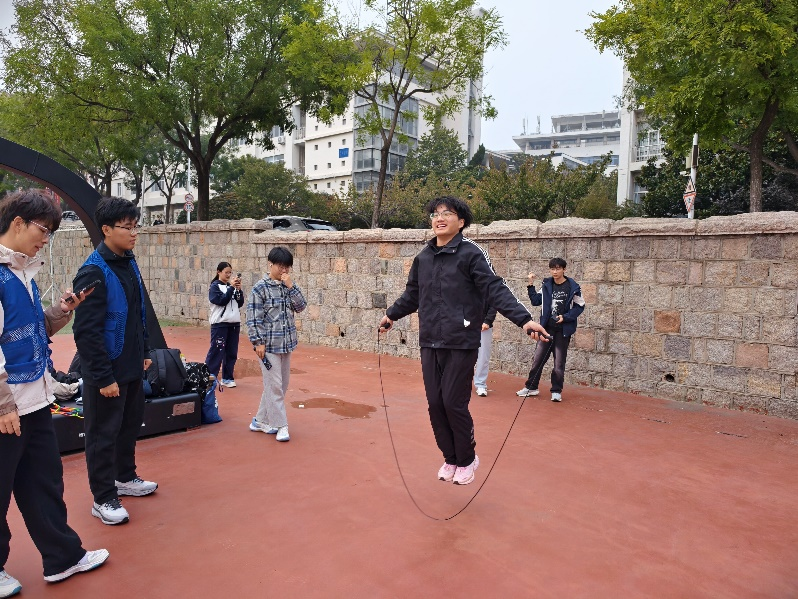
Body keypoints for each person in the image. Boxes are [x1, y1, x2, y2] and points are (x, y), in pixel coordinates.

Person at [379, 196, 549, 486]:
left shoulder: (471, 254)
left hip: (461, 341)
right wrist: (391, 315)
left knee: (453, 403)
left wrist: (524, 319)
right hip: (430, 341)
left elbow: (495, 289)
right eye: (435, 214)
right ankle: (451, 458)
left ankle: (467, 459)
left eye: (447, 213)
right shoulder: (423, 258)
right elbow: (412, 294)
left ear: (461, 222)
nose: (439, 218)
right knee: (435, 404)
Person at [0, 190, 108, 597]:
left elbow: (31, 330)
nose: (46, 239)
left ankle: (62, 557)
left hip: (35, 400)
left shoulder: (23, 274)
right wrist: (2, 404)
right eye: (43, 230)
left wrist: (62, 311)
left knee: (44, 483)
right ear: (18, 223)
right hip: (8, 406)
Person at [73, 197, 156, 526]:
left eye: (136, 226)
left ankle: (125, 477)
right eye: (127, 227)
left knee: (129, 426)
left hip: (132, 365)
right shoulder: (93, 271)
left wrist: (145, 352)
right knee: (102, 435)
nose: (134, 233)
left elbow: (137, 313)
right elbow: (86, 332)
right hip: (106, 371)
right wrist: (103, 377)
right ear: (106, 229)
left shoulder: (129, 261)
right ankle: (103, 497)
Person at [246, 247, 307, 443]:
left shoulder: (288, 286)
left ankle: (259, 420)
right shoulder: (260, 288)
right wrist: (258, 343)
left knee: (281, 385)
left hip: (286, 344)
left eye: (287, 266)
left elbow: (301, 306)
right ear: (270, 264)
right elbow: (253, 318)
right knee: (275, 387)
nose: (284, 270)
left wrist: (292, 286)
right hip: (268, 347)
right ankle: (281, 426)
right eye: (281, 266)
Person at [516, 258, 585, 402]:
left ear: (564, 269)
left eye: (558, 268)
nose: (555, 272)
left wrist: (565, 317)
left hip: (562, 331)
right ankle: (531, 387)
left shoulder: (573, 287)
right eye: (552, 269)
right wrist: (530, 284)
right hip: (546, 330)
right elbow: (535, 301)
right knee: (537, 360)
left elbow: (580, 306)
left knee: (559, 363)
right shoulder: (547, 285)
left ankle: (556, 391)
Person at [205, 262, 244, 388]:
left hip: (234, 324)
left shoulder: (231, 287)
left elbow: (240, 303)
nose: (228, 275)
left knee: (231, 352)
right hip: (220, 324)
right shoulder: (214, 287)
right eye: (226, 272)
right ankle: (209, 377)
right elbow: (221, 301)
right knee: (216, 351)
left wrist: (239, 290)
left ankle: (227, 378)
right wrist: (231, 288)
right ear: (219, 272)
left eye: (230, 273)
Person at [473, 305, 497, 397]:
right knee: (461, 354)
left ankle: (480, 384)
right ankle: (460, 382)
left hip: (483, 324)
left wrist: (488, 320)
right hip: (465, 323)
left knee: (483, 355)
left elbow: (493, 303)